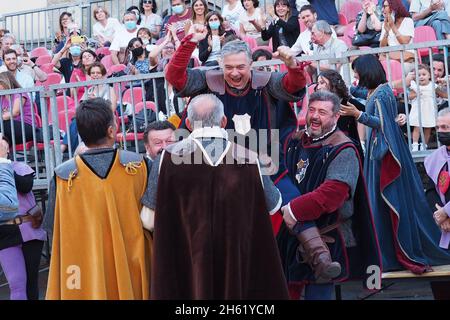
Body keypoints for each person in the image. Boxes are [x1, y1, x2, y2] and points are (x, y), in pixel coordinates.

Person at [148, 94, 289, 299]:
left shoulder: (167, 158)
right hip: (236, 260)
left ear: (187, 123)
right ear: (224, 121)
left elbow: (148, 218)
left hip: (187, 258)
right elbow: (275, 204)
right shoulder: (249, 157)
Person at [340, 54, 450, 274]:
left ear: (367, 71)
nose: (356, 76)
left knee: (386, 201)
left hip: (386, 155)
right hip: (380, 151)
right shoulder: (376, 90)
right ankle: (386, 253)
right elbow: (359, 94)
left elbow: (382, 123)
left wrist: (357, 114)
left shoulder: (381, 93)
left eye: (357, 72)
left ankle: (396, 254)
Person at [276, 90, 381, 300]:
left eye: (322, 112)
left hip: (328, 239)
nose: (314, 116)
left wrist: (293, 209)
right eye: (312, 110)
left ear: (336, 117)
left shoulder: (344, 148)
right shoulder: (294, 141)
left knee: (319, 295)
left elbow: (333, 195)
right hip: (292, 237)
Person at [43, 98, 152, 299]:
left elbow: (53, 228)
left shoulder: (62, 176)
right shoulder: (140, 166)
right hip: (132, 265)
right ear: (111, 131)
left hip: (81, 271)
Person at [0, 133, 46, 300]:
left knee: (30, 283)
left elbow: (25, 186)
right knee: (16, 284)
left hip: (29, 230)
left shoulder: (20, 167)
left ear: (8, 148)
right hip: (5, 232)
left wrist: (3, 164)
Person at [424, 107, 450, 299]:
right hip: (444, 228)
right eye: (439, 127)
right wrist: (439, 214)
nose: (441, 131)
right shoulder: (434, 158)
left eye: (446, 127)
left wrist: (447, 212)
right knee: (441, 282)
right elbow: (431, 189)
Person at [315, 69, 364, 146]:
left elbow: (365, 116)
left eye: (322, 83)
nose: (318, 87)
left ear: (333, 84)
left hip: (349, 149)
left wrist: (362, 141)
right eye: (318, 84)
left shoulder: (348, 104)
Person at [0, 72, 34, 144]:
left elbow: (15, 112)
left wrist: (2, 117)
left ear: (6, 82)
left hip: (25, 127)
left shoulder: (19, 93)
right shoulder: (2, 97)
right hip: (10, 127)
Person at [379, 0, 415, 68]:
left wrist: (393, 27)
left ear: (394, 7)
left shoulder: (408, 21)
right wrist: (386, 32)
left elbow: (404, 42)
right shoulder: (385, 23)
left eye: (385, 6)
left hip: (405, 59)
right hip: (392, 58)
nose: (382, 9)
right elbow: (382, 47)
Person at [408, 64, 436, 151]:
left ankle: (424, 145)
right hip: (418, 109)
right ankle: (415, 145)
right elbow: (410, 96)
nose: (421, 77)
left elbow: (440, 93)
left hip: (429, 109)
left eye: (424, 74)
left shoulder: (432, 85)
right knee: (417, 127)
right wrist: (416, 93)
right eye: (418, 75)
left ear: (429, 75)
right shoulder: (415, 86)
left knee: (428, 128)